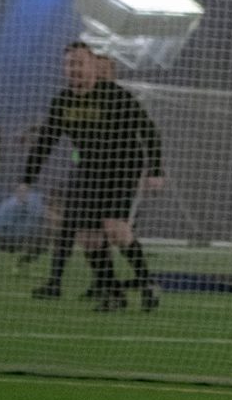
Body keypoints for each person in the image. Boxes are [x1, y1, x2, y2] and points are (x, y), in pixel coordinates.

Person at [20, 43, 165, 312]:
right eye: (70, 64)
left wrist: (156, 171)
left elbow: (149, 132)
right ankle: (113, 294)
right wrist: (26, 180)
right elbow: (44, 144)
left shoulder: (116, 96)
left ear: (93, 67)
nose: (74, 68)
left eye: (80, 63)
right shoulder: (62, 102)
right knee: (88, 239)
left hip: (123, 169)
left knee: (116, 231)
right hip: (89, 170)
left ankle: (148, 284)